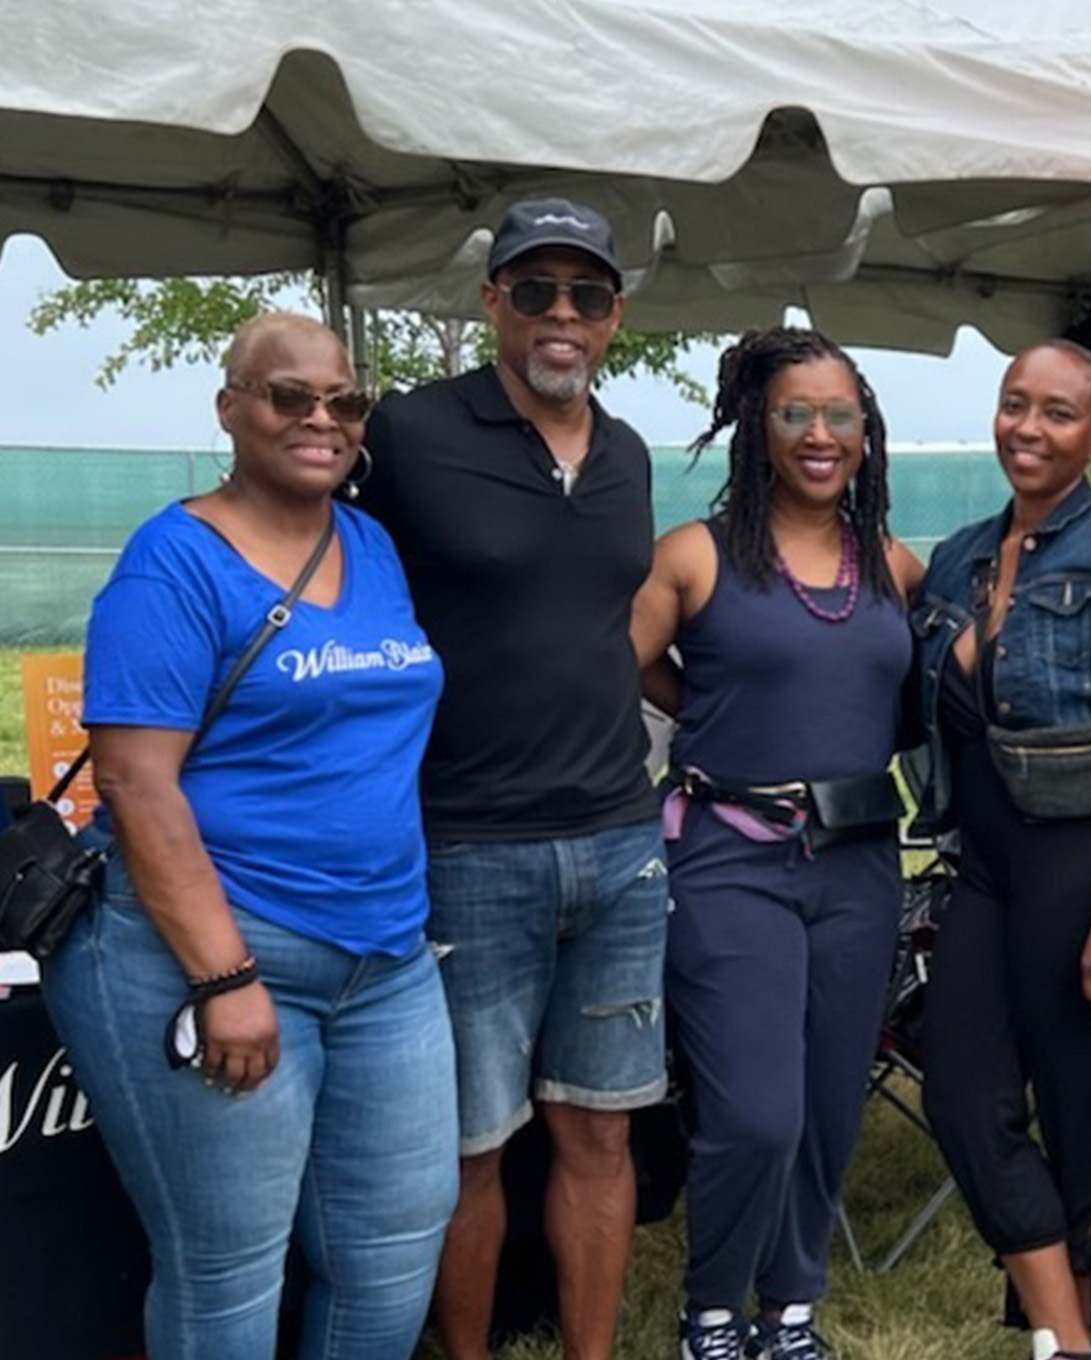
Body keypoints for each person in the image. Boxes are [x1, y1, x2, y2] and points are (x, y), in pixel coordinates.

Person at [44, 313, 455, 1359]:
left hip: (387, 960)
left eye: (344, 400)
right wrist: (224, 979)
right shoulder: (171, 562)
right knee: (228, 1269)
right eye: (287, 395)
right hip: (211, 955)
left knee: (395, 1248)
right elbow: (138, 782)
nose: (320, 417)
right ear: (231, 407)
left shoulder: (367, 542)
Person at [355, 198, 667, 1360]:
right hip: (466, 842)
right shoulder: (411, 433)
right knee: (467, 1140)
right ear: (491, 302)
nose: (561, 314)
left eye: (585, 294)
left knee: (599, 1132)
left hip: (621, 841)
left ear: (614, 315)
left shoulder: (631, 453)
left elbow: (613, 625)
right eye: (534, 289)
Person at [629, 327, 923, 1360]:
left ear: (865, 434)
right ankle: (710, 1312)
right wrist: (709, 711)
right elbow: (620, 665)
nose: (818, 434)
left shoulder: (894, 564)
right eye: (794, 412)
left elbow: (898, 701)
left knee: (829, 1102)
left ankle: (787, 1310)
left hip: (857, 861)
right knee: (753, 1109)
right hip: (728, 858)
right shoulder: (693, 554)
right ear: (754, 425)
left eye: (840, 416)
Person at [913, 340, 1091, 1360]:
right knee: (959, 1093)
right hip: (988, 858)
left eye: (1059, 413)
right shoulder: (956, 558)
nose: (1027, 429)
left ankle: (1072, 1335)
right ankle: (1065, 1338)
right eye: (1012, 405)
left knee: (1083, 1107)